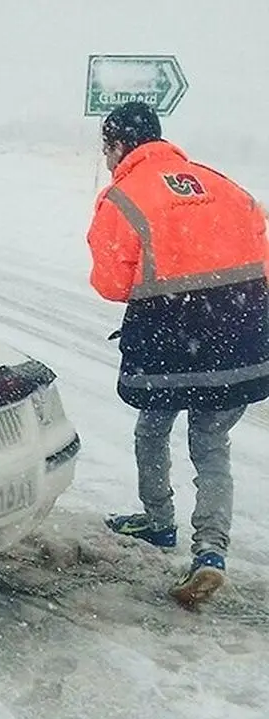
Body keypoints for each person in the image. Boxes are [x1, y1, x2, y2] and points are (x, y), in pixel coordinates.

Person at [87, 100, 269, 606]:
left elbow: (111, 283)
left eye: (106, 147)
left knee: (153, 427)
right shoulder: (226, 185)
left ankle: (158, 520)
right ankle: (211, 552)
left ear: (118, 145)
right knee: (212, 445)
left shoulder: (123, 198)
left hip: (170, 341)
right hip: (241, 335)